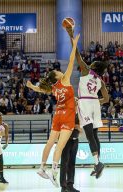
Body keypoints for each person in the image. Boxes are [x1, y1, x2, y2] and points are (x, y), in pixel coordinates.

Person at [26, 34, 80, 187]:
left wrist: (32, 87)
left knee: (50, 143)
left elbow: (41, 90)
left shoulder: (53, 88)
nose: (60, 71)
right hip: (68, 116)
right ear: (57, 76)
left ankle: (42, 167)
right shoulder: (65, 80)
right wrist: (74, 45)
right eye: (57, 71)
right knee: (60, 146)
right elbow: (71, 61)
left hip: (58, 116)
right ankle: (54, 173)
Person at [66, 27, 109, 178]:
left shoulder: (85, 71)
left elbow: (76, 54)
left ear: (94, 66)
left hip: (85, 103)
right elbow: (107, 99)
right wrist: (97, 101)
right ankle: (98, 163)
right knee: (95, 136)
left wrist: (71, 36)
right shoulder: (101, 81)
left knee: (90, 135)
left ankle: (98, 164)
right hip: (95, 104)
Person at [60, 98, 81, 192]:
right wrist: (74, 126)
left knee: (72, 163)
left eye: (77, 101)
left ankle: (70, 185)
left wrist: (76, 127)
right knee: (64, 163)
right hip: (66, 140)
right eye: (74, 101)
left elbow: (81, 129)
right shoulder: (66, 113)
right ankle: (63, 186)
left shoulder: (79, 114)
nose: (76, 102)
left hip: (75, 140)